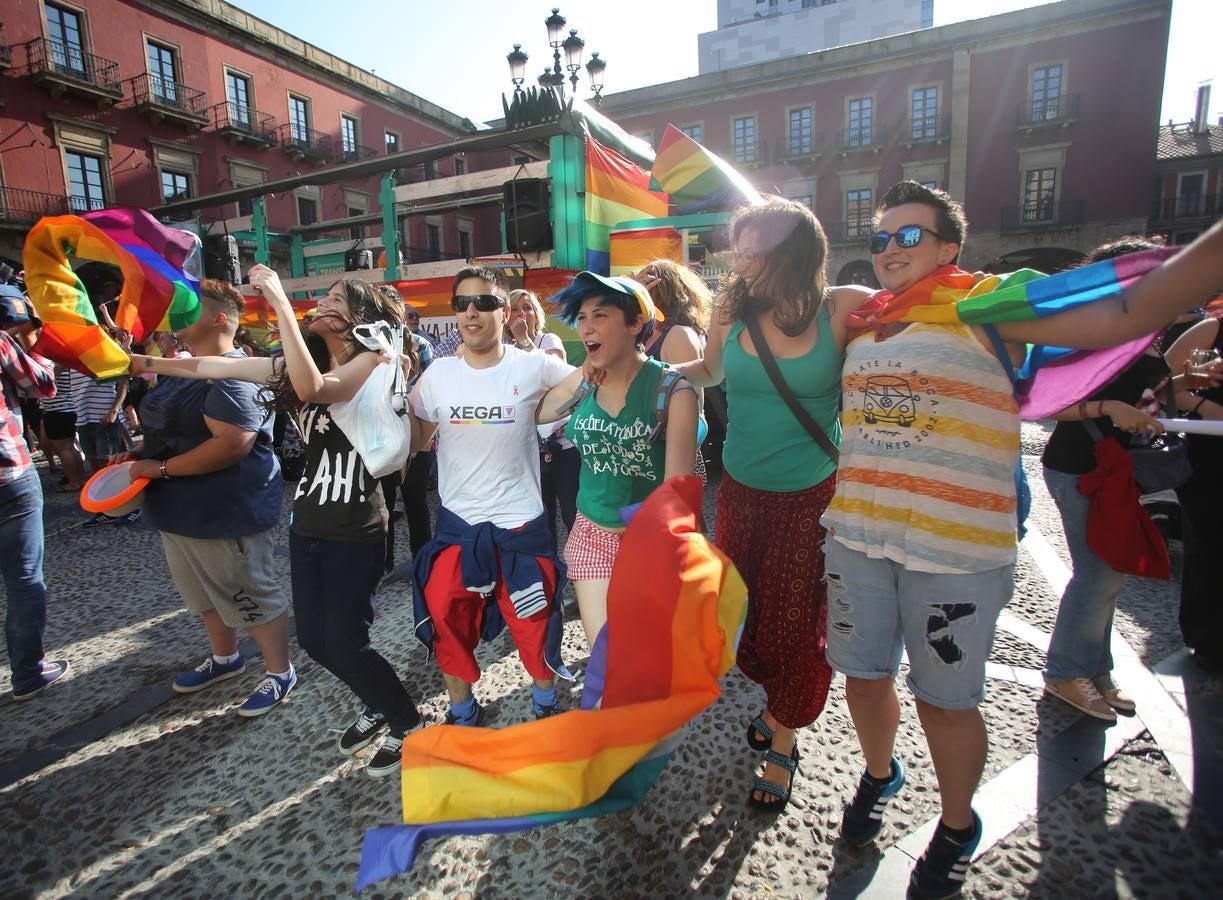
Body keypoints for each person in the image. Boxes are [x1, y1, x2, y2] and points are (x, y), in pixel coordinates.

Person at [821, 181, 1223, 899]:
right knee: (863, 675)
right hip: (857, 534)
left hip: (955, 549)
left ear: (949, 247)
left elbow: (1129, 309)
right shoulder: (863, 322)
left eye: (907, 236)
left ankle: (953, 826)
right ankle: (880, 775)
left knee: (944, 700)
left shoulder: (987, 306)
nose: (888, 250)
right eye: (879, 238)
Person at [132, 268, 424, 776]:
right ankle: (380, 704)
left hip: (356, 527)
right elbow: (210, 367)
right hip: (308, 524)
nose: (323, 303)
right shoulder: (292, 364)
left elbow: (315, 389)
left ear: (360, 317)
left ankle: (405, 721)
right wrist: (137, 361)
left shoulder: (376, 362)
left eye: (336, 298)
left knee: (348, 644)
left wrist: (277, 299)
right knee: (313, 641)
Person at [670, 197, 873, 814]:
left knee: (791, 626)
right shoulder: (731, 308)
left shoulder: (843, 306)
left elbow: (915, 323)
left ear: (797, 249)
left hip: (810, 497)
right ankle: (777, 700)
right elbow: (707, 370)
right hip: (741, 493)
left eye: (758, 248)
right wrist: (644, 370)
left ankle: (783, 742)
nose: (745, 259)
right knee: (739, 619)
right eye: (741, 247)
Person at [115, 279, 296, 717]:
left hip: (224, 510)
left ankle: (279, 672)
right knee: (202, 594)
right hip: (179, 509)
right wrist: (142, 454)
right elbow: (174, 431)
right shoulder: (184, 367)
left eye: (188, 309)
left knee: (248, 592)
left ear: (219, 319)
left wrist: (157, 468)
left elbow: (232, 443)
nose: (176, 318)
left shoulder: (234, 374)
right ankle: (224, 659)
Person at [408, 266, 575, 725]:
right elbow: (415, 437)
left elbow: (586, 381)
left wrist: (547, 412)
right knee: (446, 623)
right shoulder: (437, 375)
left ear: (504, 311)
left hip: (521, 525)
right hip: (458, 528)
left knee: (535, 625)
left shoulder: (533, 365)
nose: (470, 312)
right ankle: (462, 708)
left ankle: (544, 702)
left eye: (483, 302)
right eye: (461, 303)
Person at [1041, 238, 1194, 722]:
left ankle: (1096, 670)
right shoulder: (1088, 334)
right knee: (1099, 573)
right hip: (1079, 465)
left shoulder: (1140, 330)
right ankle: (1066, 671)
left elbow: (1148, 394)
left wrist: (1182, 384)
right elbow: (1044, 404)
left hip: (1114, 470)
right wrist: (1108, 408)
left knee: (1110, 573)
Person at [542, 272, 699, 647]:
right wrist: (581, 379)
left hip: (649, 541)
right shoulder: (585, 382)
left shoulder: (673, 392)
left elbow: (675, 496)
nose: (586, 328)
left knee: (646, 653)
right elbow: (538, 413)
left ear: (635, 323)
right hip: (592, 534)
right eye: (581, 317)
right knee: (608, 654)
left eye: (600, 315)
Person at [0, 282, 68, 701]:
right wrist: (33, 342)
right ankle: (27, 673)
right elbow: (43, 384)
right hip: (9, 476)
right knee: (24, 580)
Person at [1167, 298, 1223, 671]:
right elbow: (1166, 387)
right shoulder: (1213, 331)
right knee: (1209, 545)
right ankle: (1209, 641)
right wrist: (1205, 408)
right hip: (1211, 457)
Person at [508, 288, 578, 551]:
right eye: (515, 308)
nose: (522, 313)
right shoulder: (504, 352)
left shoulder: (549, 340)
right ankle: (549, 573)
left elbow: (554, 372)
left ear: (537, 314)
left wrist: (525, 341)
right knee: (540, 513)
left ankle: (581, 570)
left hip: (563, 445)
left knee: (572, 510)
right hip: (529, 448)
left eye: (527, 307)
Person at [636, 258, 715, 480]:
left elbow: (694, 408)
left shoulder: (679, 335)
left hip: (669, 457)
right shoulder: (648, 334)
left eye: (643, 288)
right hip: (647, 454)